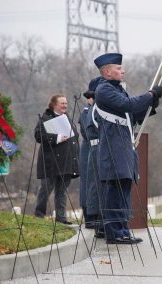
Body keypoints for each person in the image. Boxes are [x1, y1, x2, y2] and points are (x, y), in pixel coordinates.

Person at [93, 53, 162, 244]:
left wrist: (152, 102)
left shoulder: (117, 89)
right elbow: (127, 105)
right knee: (115, 190)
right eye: (118, 68)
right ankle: (114, 232)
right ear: (107, 71)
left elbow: (132, 115)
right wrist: (149, 95)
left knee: (123, 189)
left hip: (123, 147)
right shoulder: (104, 90)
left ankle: (122, 229)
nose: (122, 70)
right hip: (114, 149)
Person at [34, 94, 79, 225]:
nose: (65, 105)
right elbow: (38, 135)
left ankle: (61, 217)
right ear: (54, 104)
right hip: (50, 162)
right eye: (62, 103)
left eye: (66, 103)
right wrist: (57, 138)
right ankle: (39, 215)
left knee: (61, 191)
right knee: (45, 189)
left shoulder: (67, 118)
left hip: (66, 162)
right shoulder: (45, 118)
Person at [84, 77, 105, 238]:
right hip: (97, 148)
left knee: (98, 186)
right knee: (97, 187)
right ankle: (98, 222)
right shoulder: (93, 110)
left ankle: (100, 222)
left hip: (97, 148)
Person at [78, 84, 96, 229]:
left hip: (93, 149)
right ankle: (89, 216)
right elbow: (87, 132)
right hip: (88, 150)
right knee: (87, 184)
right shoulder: (86, 112)